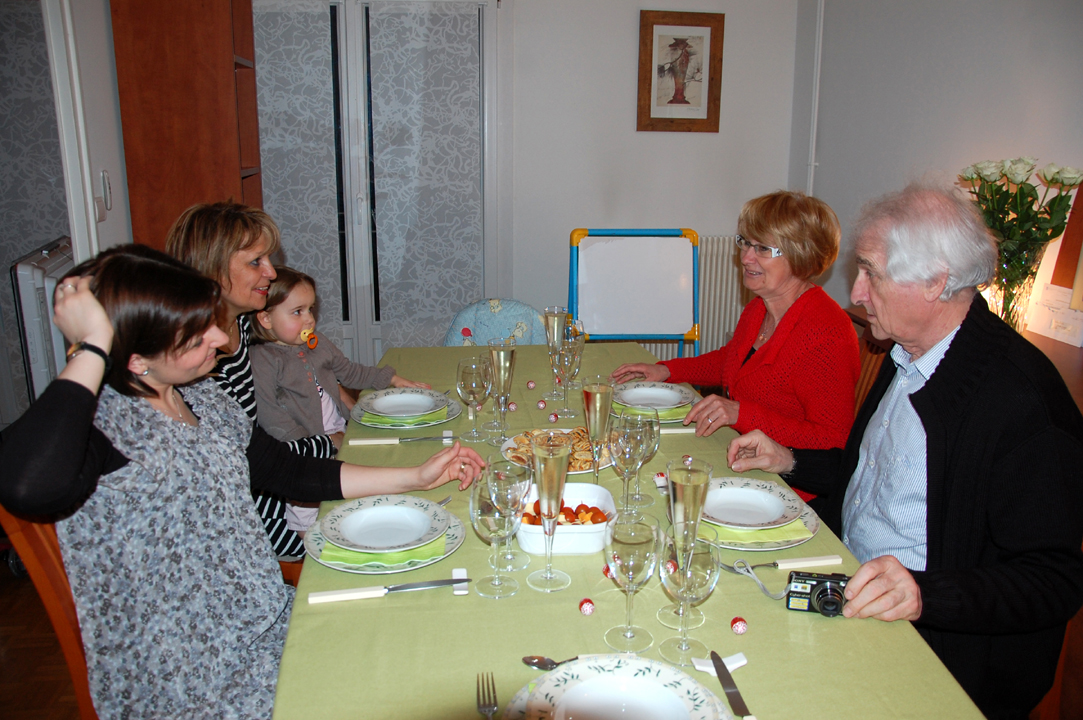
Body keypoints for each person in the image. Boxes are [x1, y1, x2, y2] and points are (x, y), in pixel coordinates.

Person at [0, 246, 482, 719]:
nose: (220, 336)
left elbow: (286, 470)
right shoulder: (102, 426)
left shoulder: (201, 397)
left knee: (425, 635)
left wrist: (414, 477)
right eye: (195, 333)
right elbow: (26, 486)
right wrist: (92, 346)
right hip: (190, 676)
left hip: (265, 621)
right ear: (136, 358)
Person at [726, 183, 1083, 720]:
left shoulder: (1020, 402)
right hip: (842, 579)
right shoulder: (907, 356)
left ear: (936, 282)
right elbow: (870, 476)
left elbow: (1054, 579)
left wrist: (922, 594)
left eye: (871, 273)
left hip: (936, 649)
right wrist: (791, 460)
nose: (856, 294)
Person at [610, 191, 859, 500]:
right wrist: (667, 370)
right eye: (745, 243)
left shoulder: (827, 332)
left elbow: (834, 442)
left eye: (762, 248)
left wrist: (742, 414)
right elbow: (733, 361)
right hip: (742, 458)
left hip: (790, 489)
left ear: (801, 255)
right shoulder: (759, 308)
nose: (746, 257)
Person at [166, 202, 321, 557]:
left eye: (268, 259)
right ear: (212, 268)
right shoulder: (198, 362)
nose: (271, 272)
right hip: (245, 517)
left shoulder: (242, 325)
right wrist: (328, 444)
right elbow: (247, 464)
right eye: (255, 262)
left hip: (273, 480)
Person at [249, 265, 428, 533]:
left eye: (310, 309)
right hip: (304, 454)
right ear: (266, 319)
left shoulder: (317, 343)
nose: (309, 320)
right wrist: (314, 448)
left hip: (338, 434)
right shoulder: (263, 359)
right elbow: (272, 417)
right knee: (309, 511)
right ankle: (311, 547)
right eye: (298, 312)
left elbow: (349, 371)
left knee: (350, 495)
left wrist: (390, 378)